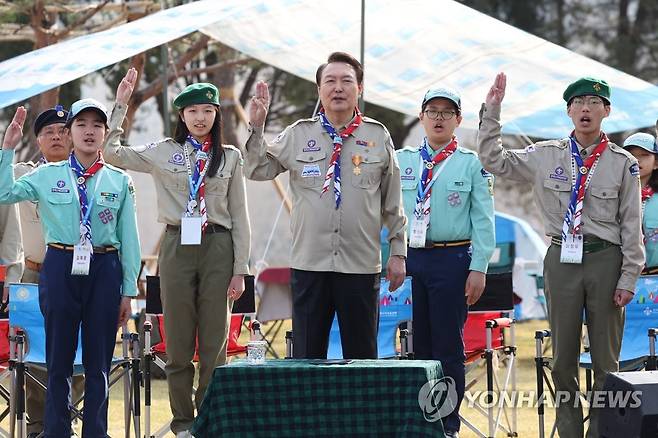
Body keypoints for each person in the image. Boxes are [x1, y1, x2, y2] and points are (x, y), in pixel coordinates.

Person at [478, 73, 643, 438]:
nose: (586, 109)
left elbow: (632, 223)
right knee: (563, 358)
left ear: (607, 111)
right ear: (568, 111)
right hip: (561, 259)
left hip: (606, 259)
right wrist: (492, 110)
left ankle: (603, 432)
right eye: (579, 103)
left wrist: (629, 276)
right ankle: (569, 432)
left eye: (594, 103)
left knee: (606, 361)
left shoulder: (623, 163)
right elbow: (493, 160)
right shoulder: (545, 154)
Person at [103, 69, 250, 437]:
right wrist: (121, 105)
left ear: (217, 115)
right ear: (181, 116)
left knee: (216, 342)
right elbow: (111, 152)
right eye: (193, 111)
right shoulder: (163, 151)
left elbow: (241, 217)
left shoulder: (229, 157)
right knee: (179, 343)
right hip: (176, 246)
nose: (200, 118)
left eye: (208, 110)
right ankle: (184, 422)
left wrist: (240, 269)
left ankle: (210, 419)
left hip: (219, 245)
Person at [245, 51, 407, 359]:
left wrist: (398, 252)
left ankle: (361, 409)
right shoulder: (298, 134)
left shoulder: (377, 135)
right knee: (307, 355)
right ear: (319, 90)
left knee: (361, 357)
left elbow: (393, 202)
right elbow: (256, 169)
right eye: (329, 81)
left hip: (360, 265)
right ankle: (307, 409)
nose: (338, 88)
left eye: (346, 81)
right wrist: (256, 128)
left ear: (359, 88)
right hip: (310, 265)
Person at [0, 99, 140, 437]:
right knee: (58, 360)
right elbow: (5, 193)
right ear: (70, 132)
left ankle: (96, 432)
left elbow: (130, 240)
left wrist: (129, 291)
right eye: (81, 125)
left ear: (105, 133)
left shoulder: (120, 181)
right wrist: (7, 148)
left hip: (104, 267)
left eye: (97, 126)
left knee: (98, 364)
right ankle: (55, 432)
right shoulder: (46, 175)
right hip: (60, 265)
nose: (89, 132)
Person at [397, 87, 495, 437]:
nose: (439, 118)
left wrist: (479, 266)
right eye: (432, 111)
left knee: (447, 345)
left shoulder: (472, 163)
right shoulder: (402, 159)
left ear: (458, 120)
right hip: (411, 257)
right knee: (414, 344)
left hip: (453, 258)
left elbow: (484, 220)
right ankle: (422, 422)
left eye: (447, 112)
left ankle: (448, 425)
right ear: (421, 116)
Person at [10, 106, 85, 438]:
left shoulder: (89, 174)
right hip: (35, 276)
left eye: (62, 131)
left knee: (82, 353)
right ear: (37, 140)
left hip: (82, 274)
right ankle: (39, 426)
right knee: (35, 355)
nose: (57, 137)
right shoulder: (22, 174)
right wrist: (7, 144)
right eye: (49, 132)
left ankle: (66, 417)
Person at [622, 132, 658, 273]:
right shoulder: (614, 197)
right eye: (631, 155)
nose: (637, 160)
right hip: (623, 279)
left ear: (656, 163)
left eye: (644, 155)